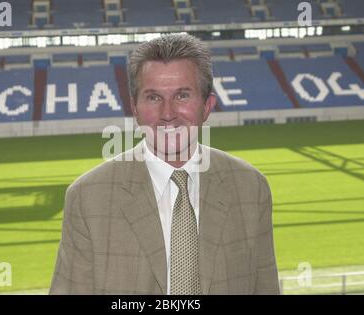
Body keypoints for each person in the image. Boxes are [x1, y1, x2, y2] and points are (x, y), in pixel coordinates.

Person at [49, 34, 279, 295]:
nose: (168, 113)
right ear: (135, 108)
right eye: (153, 98)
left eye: (182, 96)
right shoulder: (88, 197)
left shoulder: (251, 187)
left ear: (207, 106)